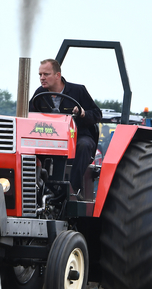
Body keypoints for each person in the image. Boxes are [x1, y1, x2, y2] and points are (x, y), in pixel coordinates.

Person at [29, 59, 102, 199]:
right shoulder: (39, 94)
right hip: (48, 137)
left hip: (77, 135)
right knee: (28, 147)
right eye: (40, 75)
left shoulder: (78, 90)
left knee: (84, 145)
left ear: (57, 75)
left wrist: (83, 113)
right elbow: (29, 115)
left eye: (46, 74)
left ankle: (73, 190)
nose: (42, 78)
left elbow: (97, 114)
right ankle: (35, 187)